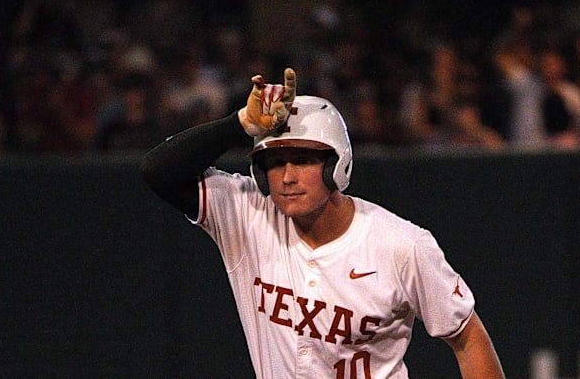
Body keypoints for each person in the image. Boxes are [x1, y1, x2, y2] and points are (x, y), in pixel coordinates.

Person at [140, 68, 505, 378]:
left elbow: (467, 336)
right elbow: (158, 171)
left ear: (336, 165)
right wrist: (243, 124)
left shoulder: (400, 245)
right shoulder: (247, 214)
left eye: (303, 160)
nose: (286, 177)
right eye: (275, 163)